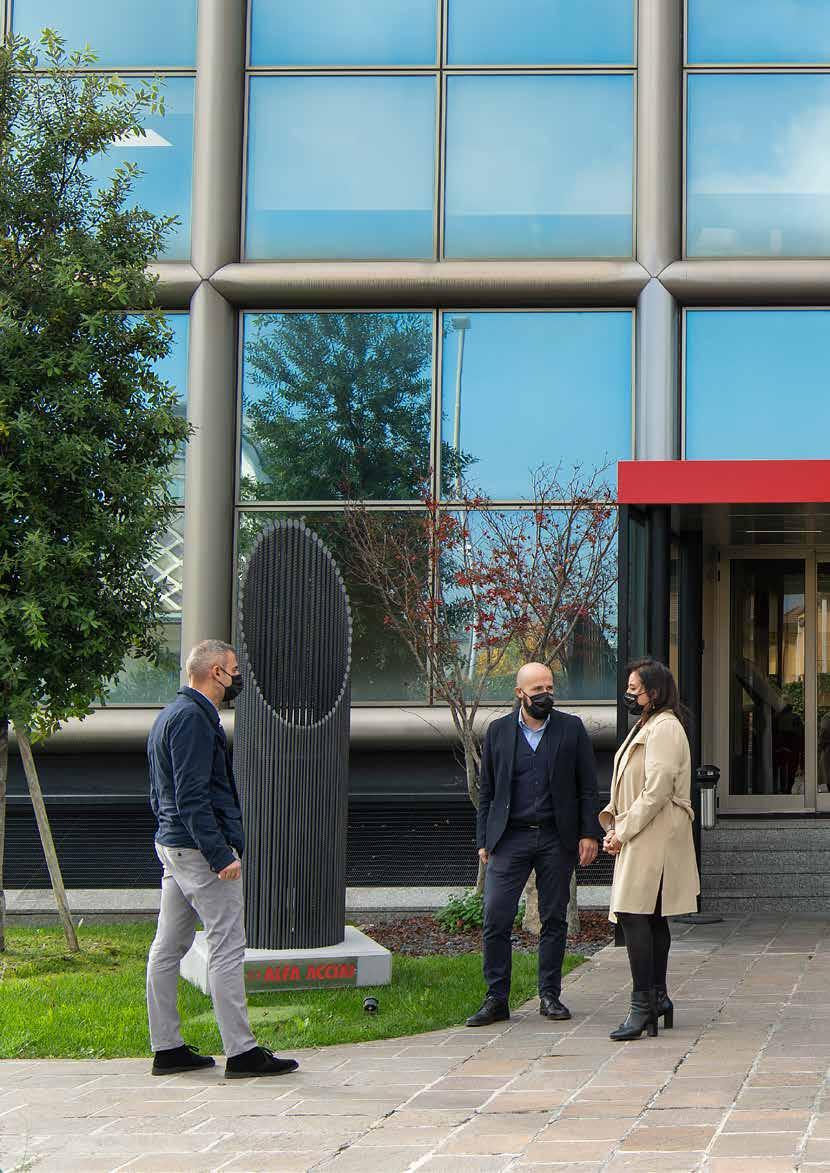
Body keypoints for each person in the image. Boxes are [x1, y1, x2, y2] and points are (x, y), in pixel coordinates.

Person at [146, 639, 299, 1079]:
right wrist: (218, 854)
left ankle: (167, 1049)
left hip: (175, 845)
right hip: (198, 850)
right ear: (215, 672)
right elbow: (192, 796)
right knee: (227, 945)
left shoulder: (171, 714)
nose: (238, 678)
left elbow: (160, 792)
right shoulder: (193, 719)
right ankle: (242, 1052)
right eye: (234, 670)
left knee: (168, 947)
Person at [466, 663, 601, 1027]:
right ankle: (496, 998)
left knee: (554, 917)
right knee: (496, 916)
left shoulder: (571, 729)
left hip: (557, 837)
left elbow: (587, 786)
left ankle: (550, 994)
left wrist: (589, 833)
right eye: (538, 689)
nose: (545, 695)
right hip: (509, 837)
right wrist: (483, 840)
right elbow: (487, 791)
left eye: (550, 687)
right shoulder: (498, 732)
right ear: (520, 693)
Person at [600, 658, 700, 1041]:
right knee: (651, 916)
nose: (628, 694)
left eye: (634, 689)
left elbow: (657, 790)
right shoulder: (647, 725)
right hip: (642, 829)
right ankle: (656, 998)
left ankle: (643, 1004)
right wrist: (615, 825)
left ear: (653, 693)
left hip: (654, 832)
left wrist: (621, 831)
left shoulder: (665, 728)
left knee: (633, 912)